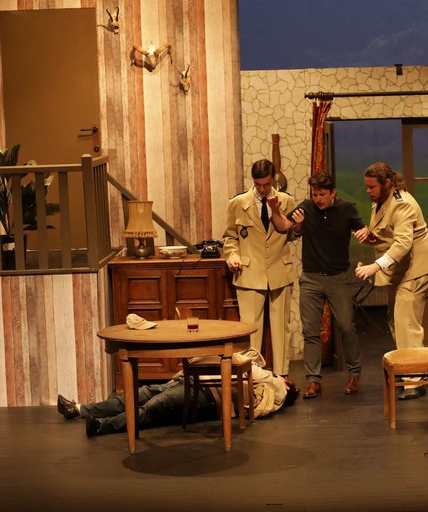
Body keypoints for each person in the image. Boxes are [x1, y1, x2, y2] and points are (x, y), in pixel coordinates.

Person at [268, 173, 366, 399]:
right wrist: (275, 210)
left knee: (346, 327)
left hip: (338, 277)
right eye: (315, 194)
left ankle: (354, 374)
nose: (318, 199)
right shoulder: (306, 207)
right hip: (311, 278)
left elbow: (364, 230)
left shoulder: (346, 209)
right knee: (310, 331)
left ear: (333, 193)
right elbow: (283, 226)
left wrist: (365, 232)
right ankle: (313, 380)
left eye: (322, 194)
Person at [56, 350, 299, 437]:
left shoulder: (277, 387)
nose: (286, 377)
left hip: (209, 396)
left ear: (289, 386)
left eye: (289, 380)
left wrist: (277, 378)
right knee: (142, 393)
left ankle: (102, 426)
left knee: (155, 406)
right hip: (192, 380)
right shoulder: (267, 374)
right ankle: (79, 409)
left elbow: (249, 369)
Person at [354, 162, 428, 400]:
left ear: (387, 184)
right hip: (401, 271)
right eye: (367, 187)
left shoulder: (403, 205)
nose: (368, 191)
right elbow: (387, 233)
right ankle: (409, 370)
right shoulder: (382, 200)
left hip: (416, 269)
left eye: (372, 187)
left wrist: (374, 266)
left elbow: (402, 244)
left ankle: (415, 380)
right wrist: (370, 236)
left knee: (406, 323)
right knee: (395, 320)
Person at [223, 159, 296, 376]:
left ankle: (282, 376)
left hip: (279, 271)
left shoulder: (286, 201)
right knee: (250, 328)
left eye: (266, 184)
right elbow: (230, 237)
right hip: (249, 272)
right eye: (258, 184)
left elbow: (292, 234)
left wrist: (298, 227)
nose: (262, 189)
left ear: (273, 179)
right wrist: (233, 256)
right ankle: (252, 377)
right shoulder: (237, 203)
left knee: (281, 327)